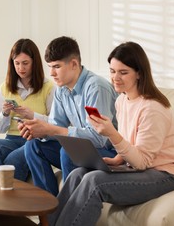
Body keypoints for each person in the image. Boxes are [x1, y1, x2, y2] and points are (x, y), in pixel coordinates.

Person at [48, 41, 174, 226]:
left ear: (139, 73)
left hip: (167, 174)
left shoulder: (152, 108)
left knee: (94, 182)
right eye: (112, 71)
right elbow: (131, 143)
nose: (115, 78)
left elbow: (142, 161)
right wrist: (118, 160)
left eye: (123, 72)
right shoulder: (122, 101)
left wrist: (111, 134)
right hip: (140, 167)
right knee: (78, 173)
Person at [20, 36, 118, 196]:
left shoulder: (95, 87)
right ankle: (48, 214)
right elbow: (56, 126)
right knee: (33, 146)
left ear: (73, 64)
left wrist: (51, 129)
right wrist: (39, 131)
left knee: (69, 152)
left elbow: (99, 139)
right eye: (50, 67)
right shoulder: (61, 90)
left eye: (56, 67)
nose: (51, 73)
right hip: (85, 152)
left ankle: (67, 214)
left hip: (109, 154)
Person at [0, 38, 55, 181]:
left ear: (35, 62)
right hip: (12, 140)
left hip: (35, 141)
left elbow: (55, 124)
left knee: (12, 159)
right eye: (17, 63)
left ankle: (6, 199)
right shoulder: (5, 87)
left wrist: (31, 115)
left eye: (25, 63)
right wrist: (5, 113)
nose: (21, 68)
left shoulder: (49, 87)